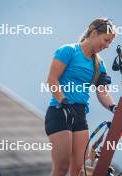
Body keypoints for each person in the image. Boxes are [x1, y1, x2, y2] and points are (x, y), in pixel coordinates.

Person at [45, 18, 117, 176]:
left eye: (110, 43)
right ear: (94, 33)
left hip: (79, 114)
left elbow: (102, 91)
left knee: (78, 170)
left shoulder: (99, 64)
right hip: (59, 111)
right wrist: (63, 101)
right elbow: (52, 79)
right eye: (106, 40)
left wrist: (113, 107)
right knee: (61, 167)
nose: (107, 46)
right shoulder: (68, 51)